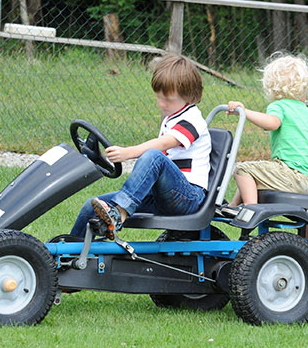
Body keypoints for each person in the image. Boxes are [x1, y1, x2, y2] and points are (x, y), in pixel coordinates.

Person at [70, 54, 211, 238]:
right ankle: (69, 254)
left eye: (169, 100)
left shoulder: (193, 119)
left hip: (188, 197)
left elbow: (162, 144)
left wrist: (127, 153)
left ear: (190, 96)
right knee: (91, 206)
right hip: (162, 195)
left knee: (154, 156)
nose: (162, 104)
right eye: (159, 97)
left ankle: (119, 213)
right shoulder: (172, 117)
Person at [221, 55, 308, 213]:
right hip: (307, 182)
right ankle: (233, 206)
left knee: (242, 169)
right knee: (255, 172)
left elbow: (272, 123)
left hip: (291, 176)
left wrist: (244, 112)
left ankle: (251, 211)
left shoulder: (279, 106)